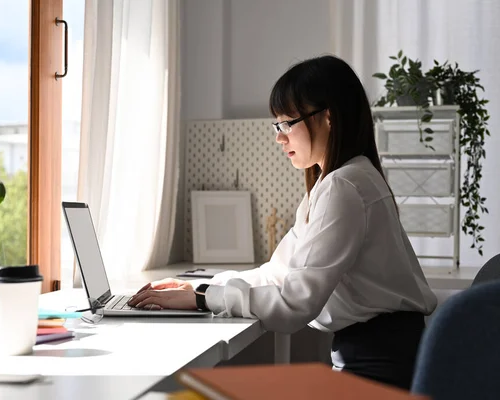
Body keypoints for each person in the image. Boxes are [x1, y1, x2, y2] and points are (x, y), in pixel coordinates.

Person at [128, 55, 437, 390]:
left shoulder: (344, 187)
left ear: (328, 117)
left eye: (288, 122)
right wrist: (199, 288)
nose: (279, 138)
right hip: (380, 358)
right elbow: (278, 272)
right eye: (277, 125)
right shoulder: (336, 183)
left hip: (380, 371)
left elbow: (295, 303)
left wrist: (205, 298)